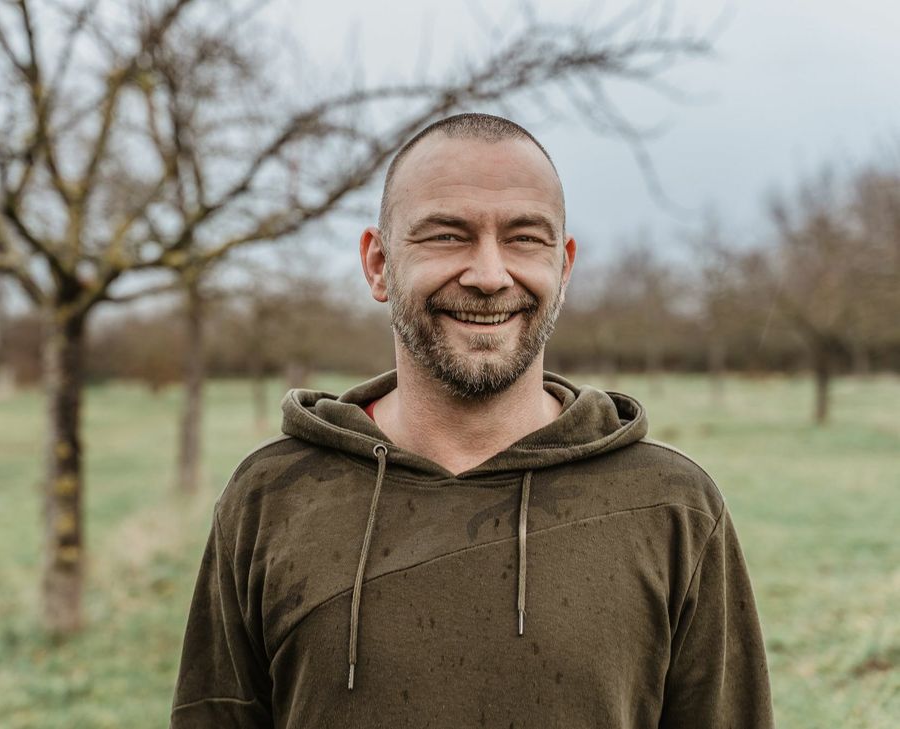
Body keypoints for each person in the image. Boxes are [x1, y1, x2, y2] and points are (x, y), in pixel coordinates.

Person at [169, 113, 773, 728]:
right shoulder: (271, 497)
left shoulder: (672, 506)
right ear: (378, 263)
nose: (488, 275)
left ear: (563, 267)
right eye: (447, 235)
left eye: (523, 238)